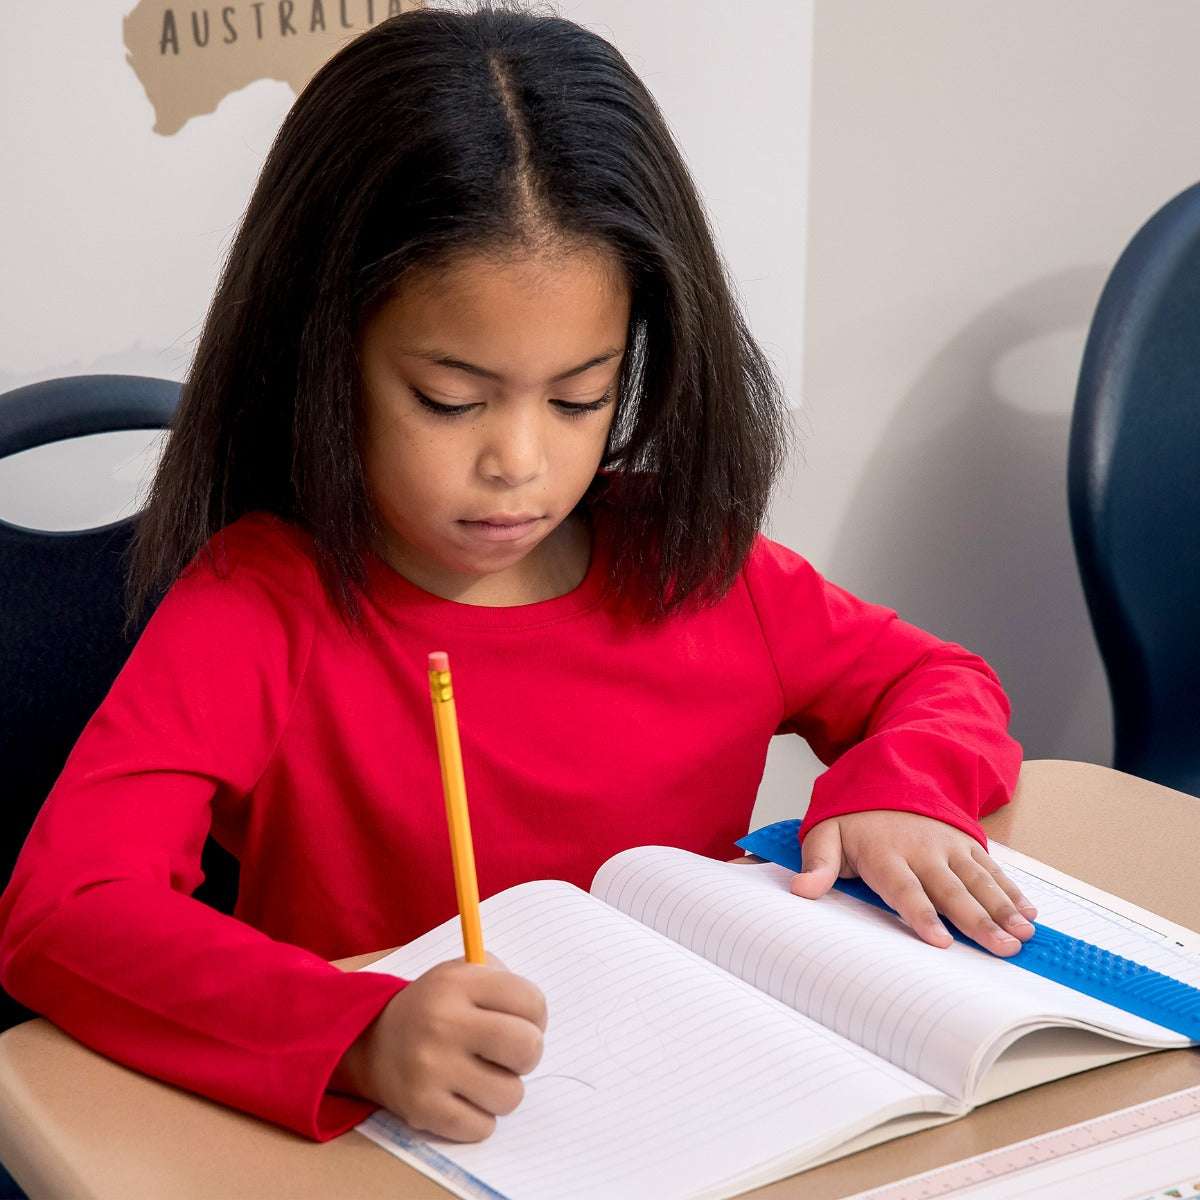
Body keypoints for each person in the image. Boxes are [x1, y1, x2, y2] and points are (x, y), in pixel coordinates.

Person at [0, 3, 1034, 1147]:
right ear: (322, 357)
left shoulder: (703, 568)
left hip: (693, 1123)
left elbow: (940, 682)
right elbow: (64, 910)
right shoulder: (261, 606)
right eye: (451, 400)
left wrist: (899, 787)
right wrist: (358, 1032)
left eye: (582, 397)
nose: (520, 463)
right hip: (400, 1155)